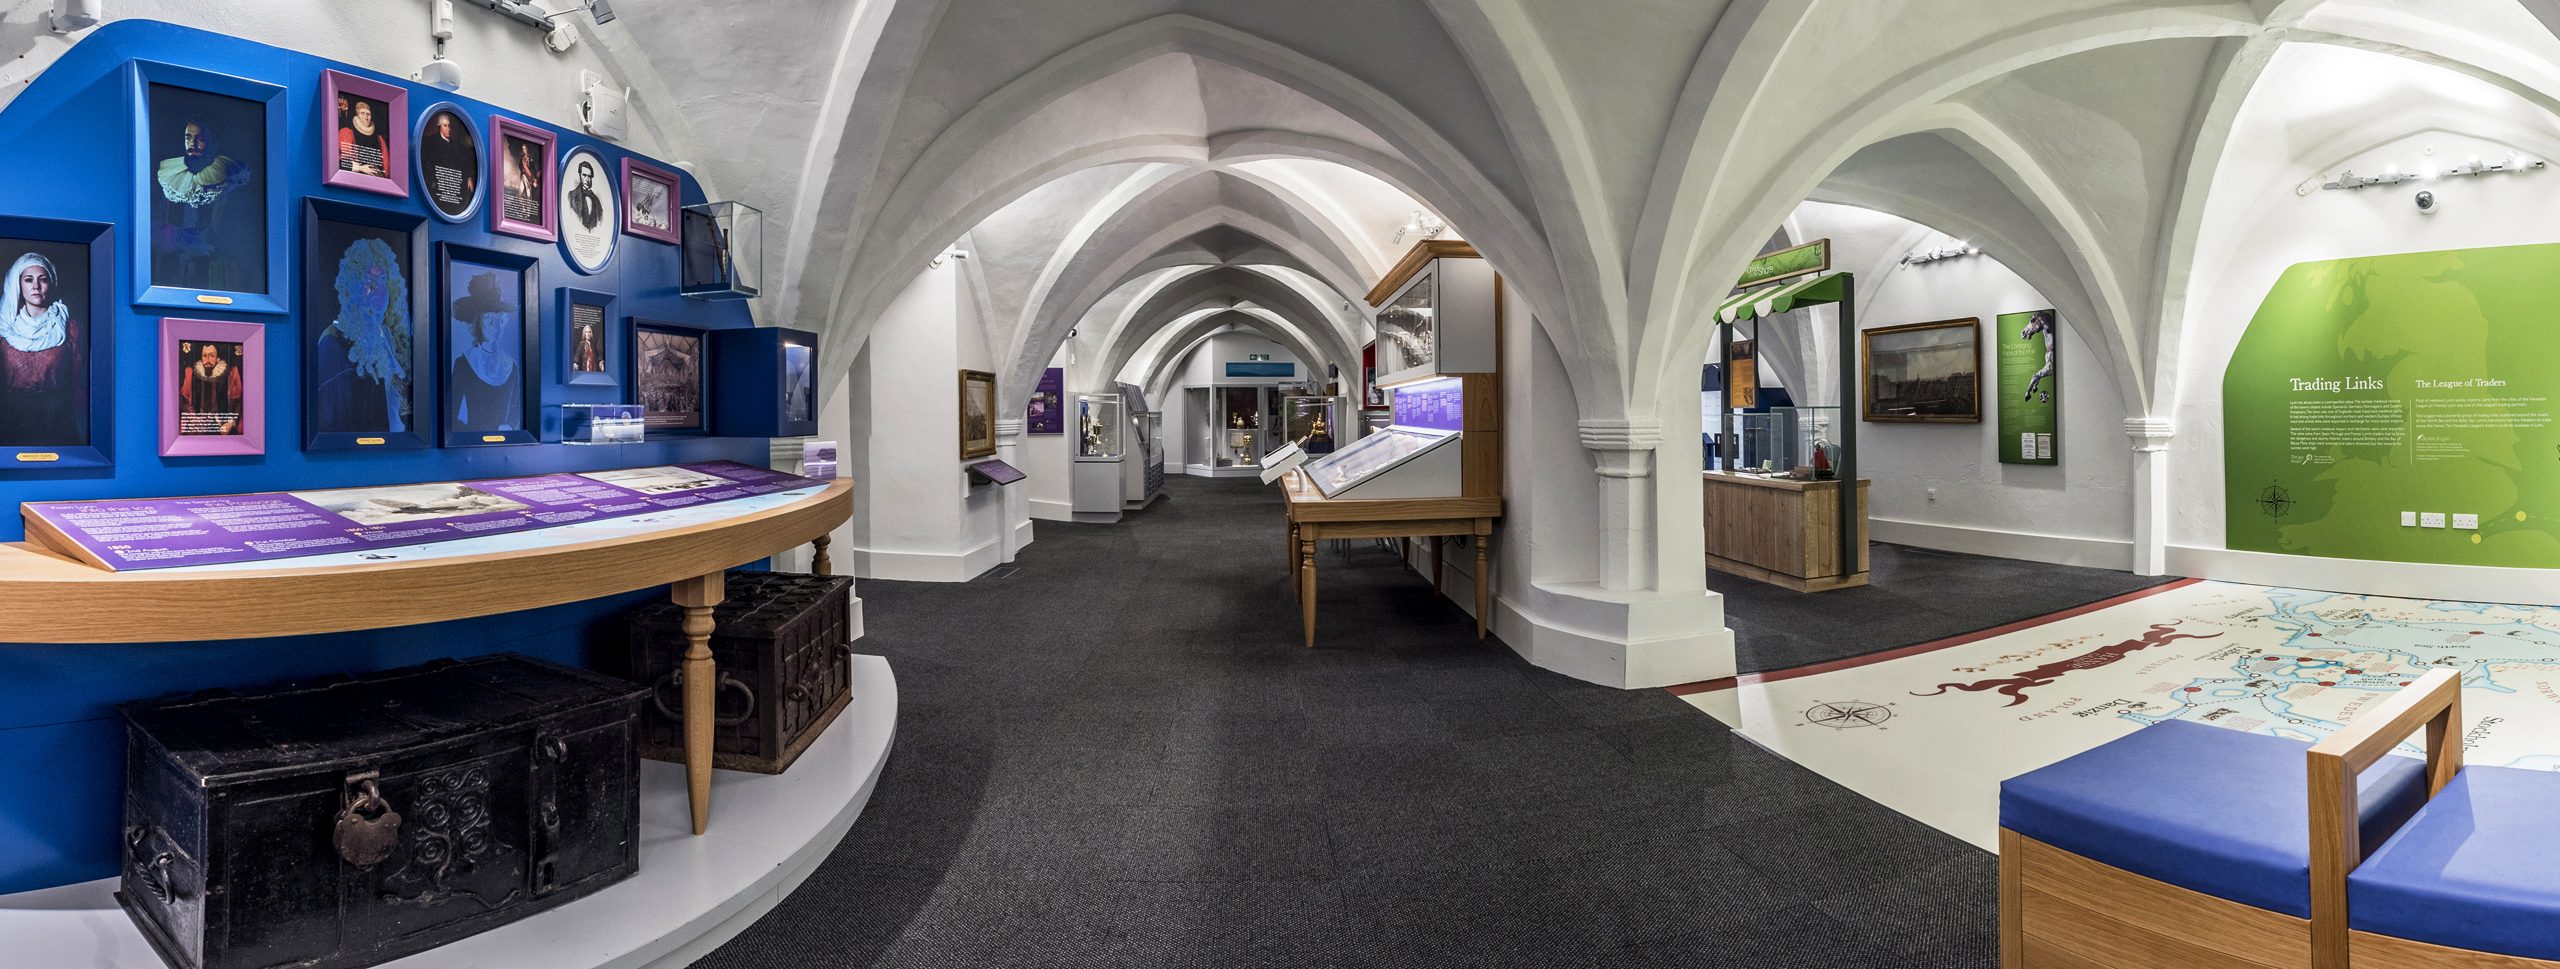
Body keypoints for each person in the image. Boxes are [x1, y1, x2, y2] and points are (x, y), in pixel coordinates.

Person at [313, 237, 408, 434]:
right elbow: (331, 424)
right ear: (351, 287)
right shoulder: (332, 341)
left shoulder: (386, 336)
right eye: (368, 280)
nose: (376, 289)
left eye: (382, 280)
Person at [153, 116, 253, 290]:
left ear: (213, 143)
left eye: (200, 139)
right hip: (173, 265)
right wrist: (174, 237)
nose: (193, 143)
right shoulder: (170, 176)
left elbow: (238, 233)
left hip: (216, 266)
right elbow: (155, 219)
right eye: (189, 138)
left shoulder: (230, 178)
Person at [0, 252, 85, 446]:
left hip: (56, 420)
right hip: (11, 420)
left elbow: (79, 383)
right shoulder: (4, 329)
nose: (36, 286)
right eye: (29, 280)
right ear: (18, 284)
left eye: (42, 279)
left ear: (51, 283)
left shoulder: (70, 327)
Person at [449, 272, 519, 434]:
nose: (495, 324)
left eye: (498, 318)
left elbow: (516, 412)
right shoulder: (464, 363)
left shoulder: (511, 365)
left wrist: (509, 428)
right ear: (477, 323)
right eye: (488, 318)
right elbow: (451, 414)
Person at [178, 341, 243, 435]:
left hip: (221, 426)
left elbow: (237, 403)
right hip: (198, 426)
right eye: (204, 355)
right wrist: (191, 414)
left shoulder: (231, 374)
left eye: (211, 356)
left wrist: (230, 423)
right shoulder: (190, 373)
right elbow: (184, 400)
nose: (207, 360)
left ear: (217, 359)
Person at [419, 112, 477, 212]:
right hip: (436, 188)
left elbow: (463, 163)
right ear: (439, 127)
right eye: (445, 126)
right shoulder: (430, 142)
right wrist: (431, 180)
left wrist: (468, 177)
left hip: (456, 191)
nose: (448, 129)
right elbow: (425, 163)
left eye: (449, 126)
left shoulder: (457, 146)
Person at [338, 99, 387, 177]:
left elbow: (386, 167)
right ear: (357, 115)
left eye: (368, 114)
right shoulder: (346, 132)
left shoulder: (379, 138)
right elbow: (340, 162)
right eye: (362, 113)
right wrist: (361, 168)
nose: (366, 117)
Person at [567, 160, 604, 231]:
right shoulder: (572, 195)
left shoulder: (596, 199)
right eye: (584, 175)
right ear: (580, 175)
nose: (587, 179)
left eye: (589, 176)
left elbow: (600, 220)